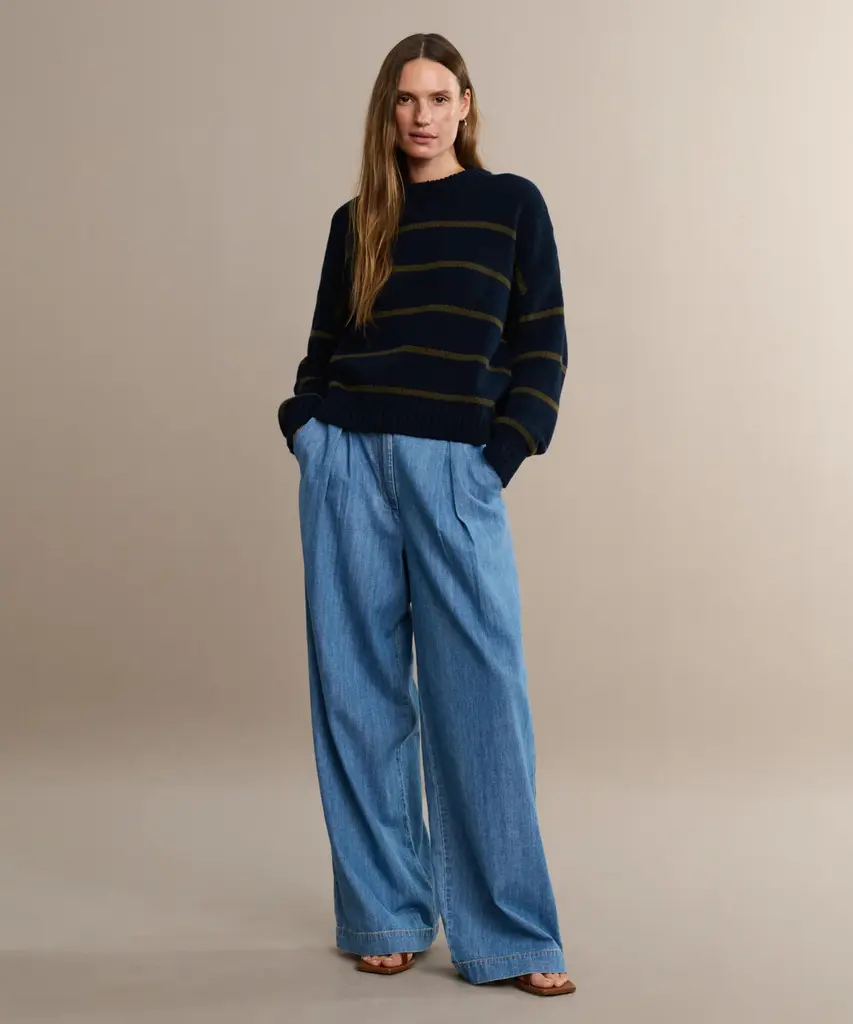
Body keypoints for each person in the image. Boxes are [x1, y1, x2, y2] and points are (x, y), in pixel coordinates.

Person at [277, 32, 575, 998]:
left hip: (455, 468)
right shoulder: (357, 219)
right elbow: (323, 343)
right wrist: (307, 428)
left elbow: (542, 342)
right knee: (357, 695)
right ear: (387, 110)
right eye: (405, 99)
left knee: (481, 699)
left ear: (465, 105)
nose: (422, 115)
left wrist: (503, 452)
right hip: (348, 462)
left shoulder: (510, 204)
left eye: (438, 97)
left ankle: (511, 936)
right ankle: (384, 915)